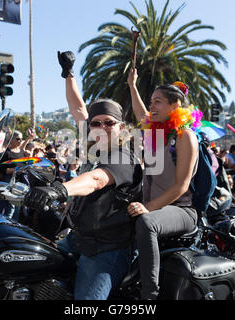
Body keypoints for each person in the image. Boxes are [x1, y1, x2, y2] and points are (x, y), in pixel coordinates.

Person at [22, 50, 143, 300]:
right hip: (80, 236)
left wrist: (61, 189)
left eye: (109, 122)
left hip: (107, 247)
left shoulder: (123, 155)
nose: (101, 127)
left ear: (121, 127)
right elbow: (79, 109)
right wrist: (68, 74)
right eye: (96, 123)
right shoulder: (95, 147)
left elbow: (97, 179)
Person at [127, 67, 199, 300]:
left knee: (146, 223)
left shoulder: (184, 136)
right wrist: (132, 85)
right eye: (151, 102)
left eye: (158, 102)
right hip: (154, 206)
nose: (152, 107)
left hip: (182, 210)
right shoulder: (156, 133)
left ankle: (150, 296)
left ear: (175, 105)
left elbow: (181, 186)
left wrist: (147, 208)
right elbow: (140, 113)